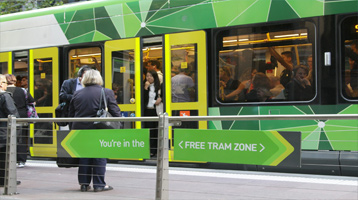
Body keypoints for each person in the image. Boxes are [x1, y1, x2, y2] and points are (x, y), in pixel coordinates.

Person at [68, 69, 120, 192]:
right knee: (99, 155)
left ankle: (84, 184)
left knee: (84, 156)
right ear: (98, 79)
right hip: (99, 128)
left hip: (80, 129)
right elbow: (116, 112)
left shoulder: (77, 93)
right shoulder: (106, 92)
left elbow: (71, 114)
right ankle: (99, 184)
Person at [5, 74, 35, 168]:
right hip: (22, 116)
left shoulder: (4, 92)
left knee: (8, 137)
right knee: (21, 138)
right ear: (15, 81)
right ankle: (21, 160)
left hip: (8, 116)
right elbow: (32, 102)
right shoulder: (22, 90)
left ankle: (10, 159)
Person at [0, 74, 21, 187]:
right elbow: (12, 114)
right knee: (5, 158)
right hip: (4, 132)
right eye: (5, 83)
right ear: (1, 84)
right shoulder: (5, 96)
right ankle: (5, 181)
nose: (6, 85)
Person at [143, 70, 163, 157]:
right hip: (147, 110)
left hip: (156, 110)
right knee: (149, 131)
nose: (149, 78)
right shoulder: (144, 86)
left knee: (156, 130)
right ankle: (150, 150)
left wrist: (161, 98)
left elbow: (165, 96)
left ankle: (156, 150)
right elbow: (142, 98)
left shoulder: (159, 87)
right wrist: (145, 88)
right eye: (147, 76)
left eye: (151, 76)